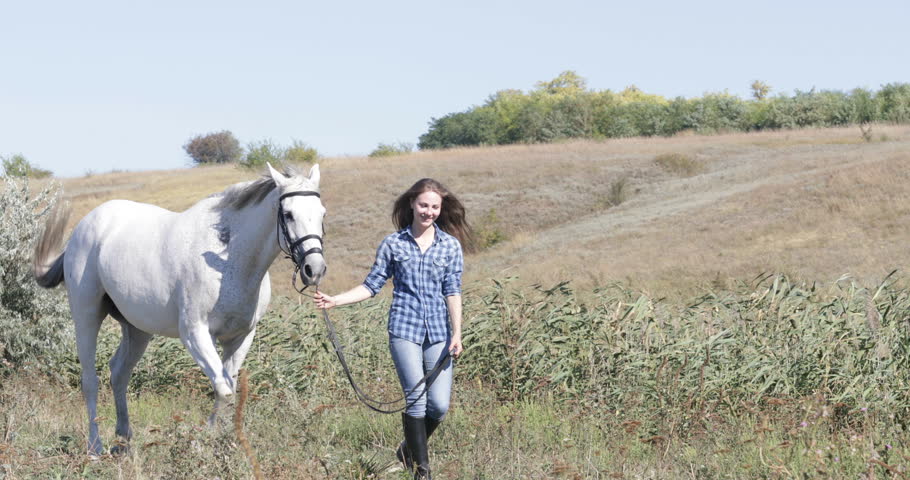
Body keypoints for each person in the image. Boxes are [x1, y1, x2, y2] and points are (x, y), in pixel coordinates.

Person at [314, 178, 474, 480]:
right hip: (404, 330)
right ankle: (421, 471)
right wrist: (336, 300)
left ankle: (407, 450)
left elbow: (453, 291)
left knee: (438, 406)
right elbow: (371, 285)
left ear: (441, 209)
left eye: (435, 207)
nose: (429, 212)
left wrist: (457, 333)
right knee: (416, 400)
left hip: (440, 332)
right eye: (424, 205)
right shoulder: (393, 244)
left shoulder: (450, 246)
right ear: (412, 204)